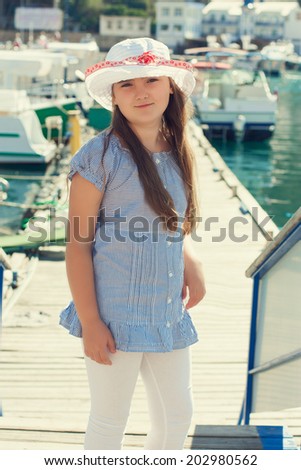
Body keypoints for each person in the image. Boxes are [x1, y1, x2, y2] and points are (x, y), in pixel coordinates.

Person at [60, 37, 206, 450]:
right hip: (114, 315)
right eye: (126, 84)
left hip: (165, 313)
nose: (141, 92)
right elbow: (78, 246)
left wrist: (191, 261)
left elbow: (172, 223)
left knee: (178, 413)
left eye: (151, 80)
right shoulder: (100, 157)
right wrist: (90, 321)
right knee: (110, 420)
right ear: (113, 96)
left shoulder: (178, 150)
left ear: (170, 87)